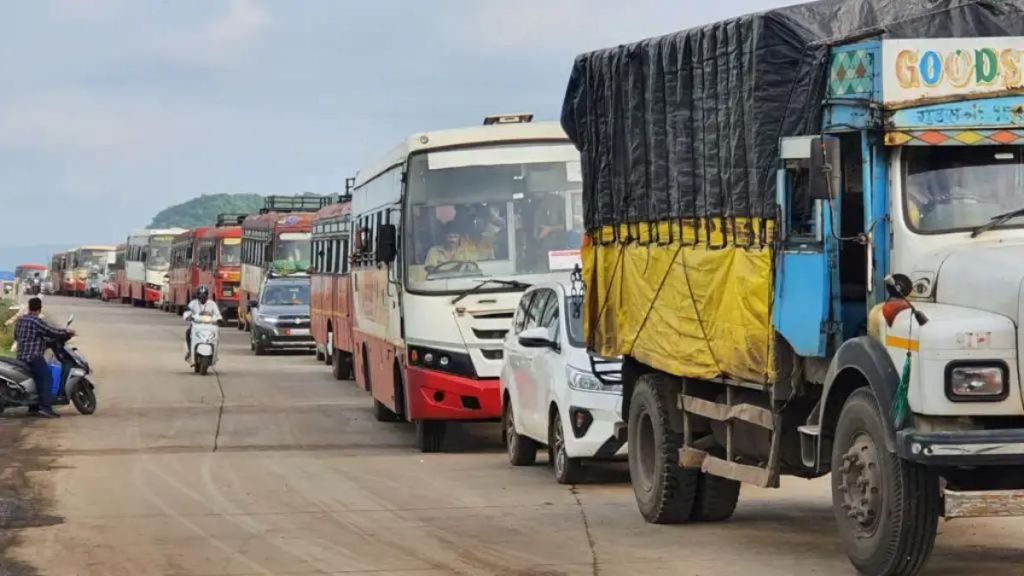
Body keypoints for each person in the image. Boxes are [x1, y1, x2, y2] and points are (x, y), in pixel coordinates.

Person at [14, 297, 74, 418]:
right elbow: (51, 331)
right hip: (33, 357)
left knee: (35, 379)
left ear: (29, 307)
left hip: (21, 356)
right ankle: (45, 408)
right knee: (47, 379)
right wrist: (67, 333)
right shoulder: (36, 321)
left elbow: (17, 336)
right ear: (40, 309)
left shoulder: (20, 320)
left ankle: (33, 407)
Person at [183, 286, 222, 361]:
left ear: (207, 295)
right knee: (188, 332)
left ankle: (215, 352)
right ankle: (190, 351)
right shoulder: (193, 303)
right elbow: (187, 312)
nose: (202, 297)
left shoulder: (212, 304)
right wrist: (188, 317)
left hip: (210, 325)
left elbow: (217, 314)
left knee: (218, 334)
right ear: (197, 295)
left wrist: (220, 319)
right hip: (196, 325)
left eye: (204, 295)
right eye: (200, 295)